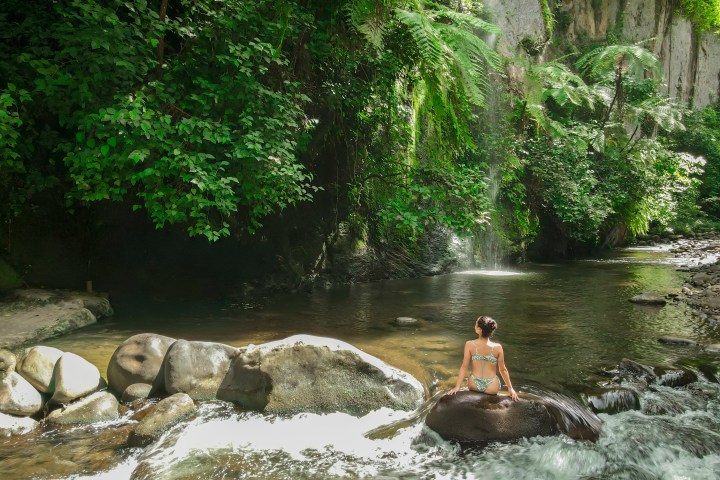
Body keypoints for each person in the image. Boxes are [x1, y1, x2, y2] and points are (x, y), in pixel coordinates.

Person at [448, 315, 519, 400]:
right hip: (492, 385)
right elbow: (503, 370)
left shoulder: (469, 344)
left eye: (476, 324)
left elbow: (464, 366)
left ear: (479, 329)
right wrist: (510, 389)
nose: (475, 326)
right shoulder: (498, 347)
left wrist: (457, 387)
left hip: (474, 383)